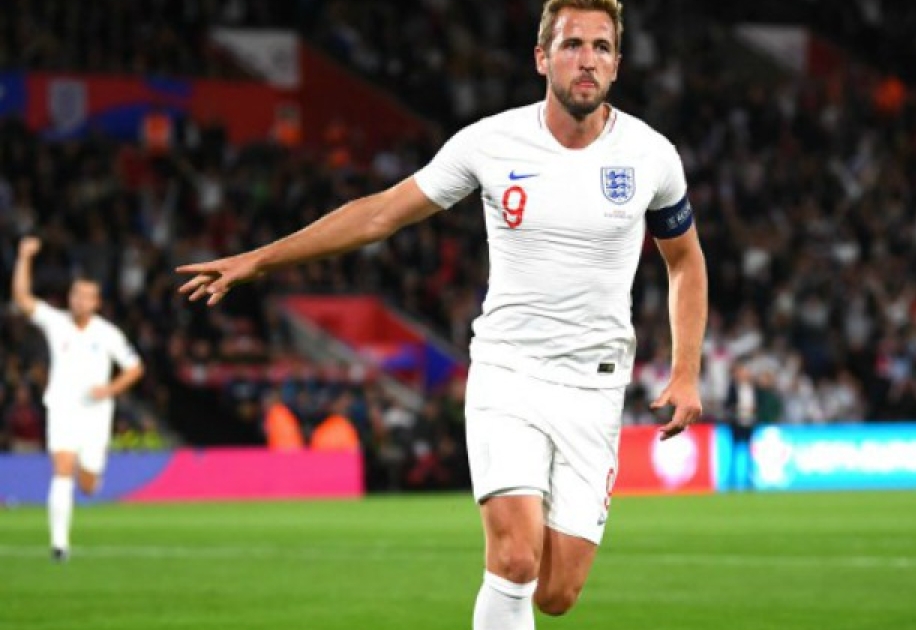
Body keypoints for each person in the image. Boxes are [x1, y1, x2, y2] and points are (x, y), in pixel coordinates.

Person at [175, 1, 707, 627]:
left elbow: (685, 261)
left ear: (617, 64)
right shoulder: (490, 143)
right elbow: (380, 214)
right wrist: (260, 260)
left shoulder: (651, 156)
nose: (586, 60)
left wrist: (685, 372)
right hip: (509, 373)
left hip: (594, 386)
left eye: (601, 47)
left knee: (557, 593)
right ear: (542, 58)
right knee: (514, 559)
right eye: (571, 45)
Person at [12, 236, 145, 562]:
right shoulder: (56, 322)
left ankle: (87, 479)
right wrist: (24, 256)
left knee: (87, 484)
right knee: (62, 469)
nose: (79, 301)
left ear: (96, 302)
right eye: (75, 294)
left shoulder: (107, 333)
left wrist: (110, 390)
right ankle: (59, 545)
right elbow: (22, 298)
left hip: (96, 413)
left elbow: (135, 367)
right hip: (62, 407)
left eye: (86, 296)